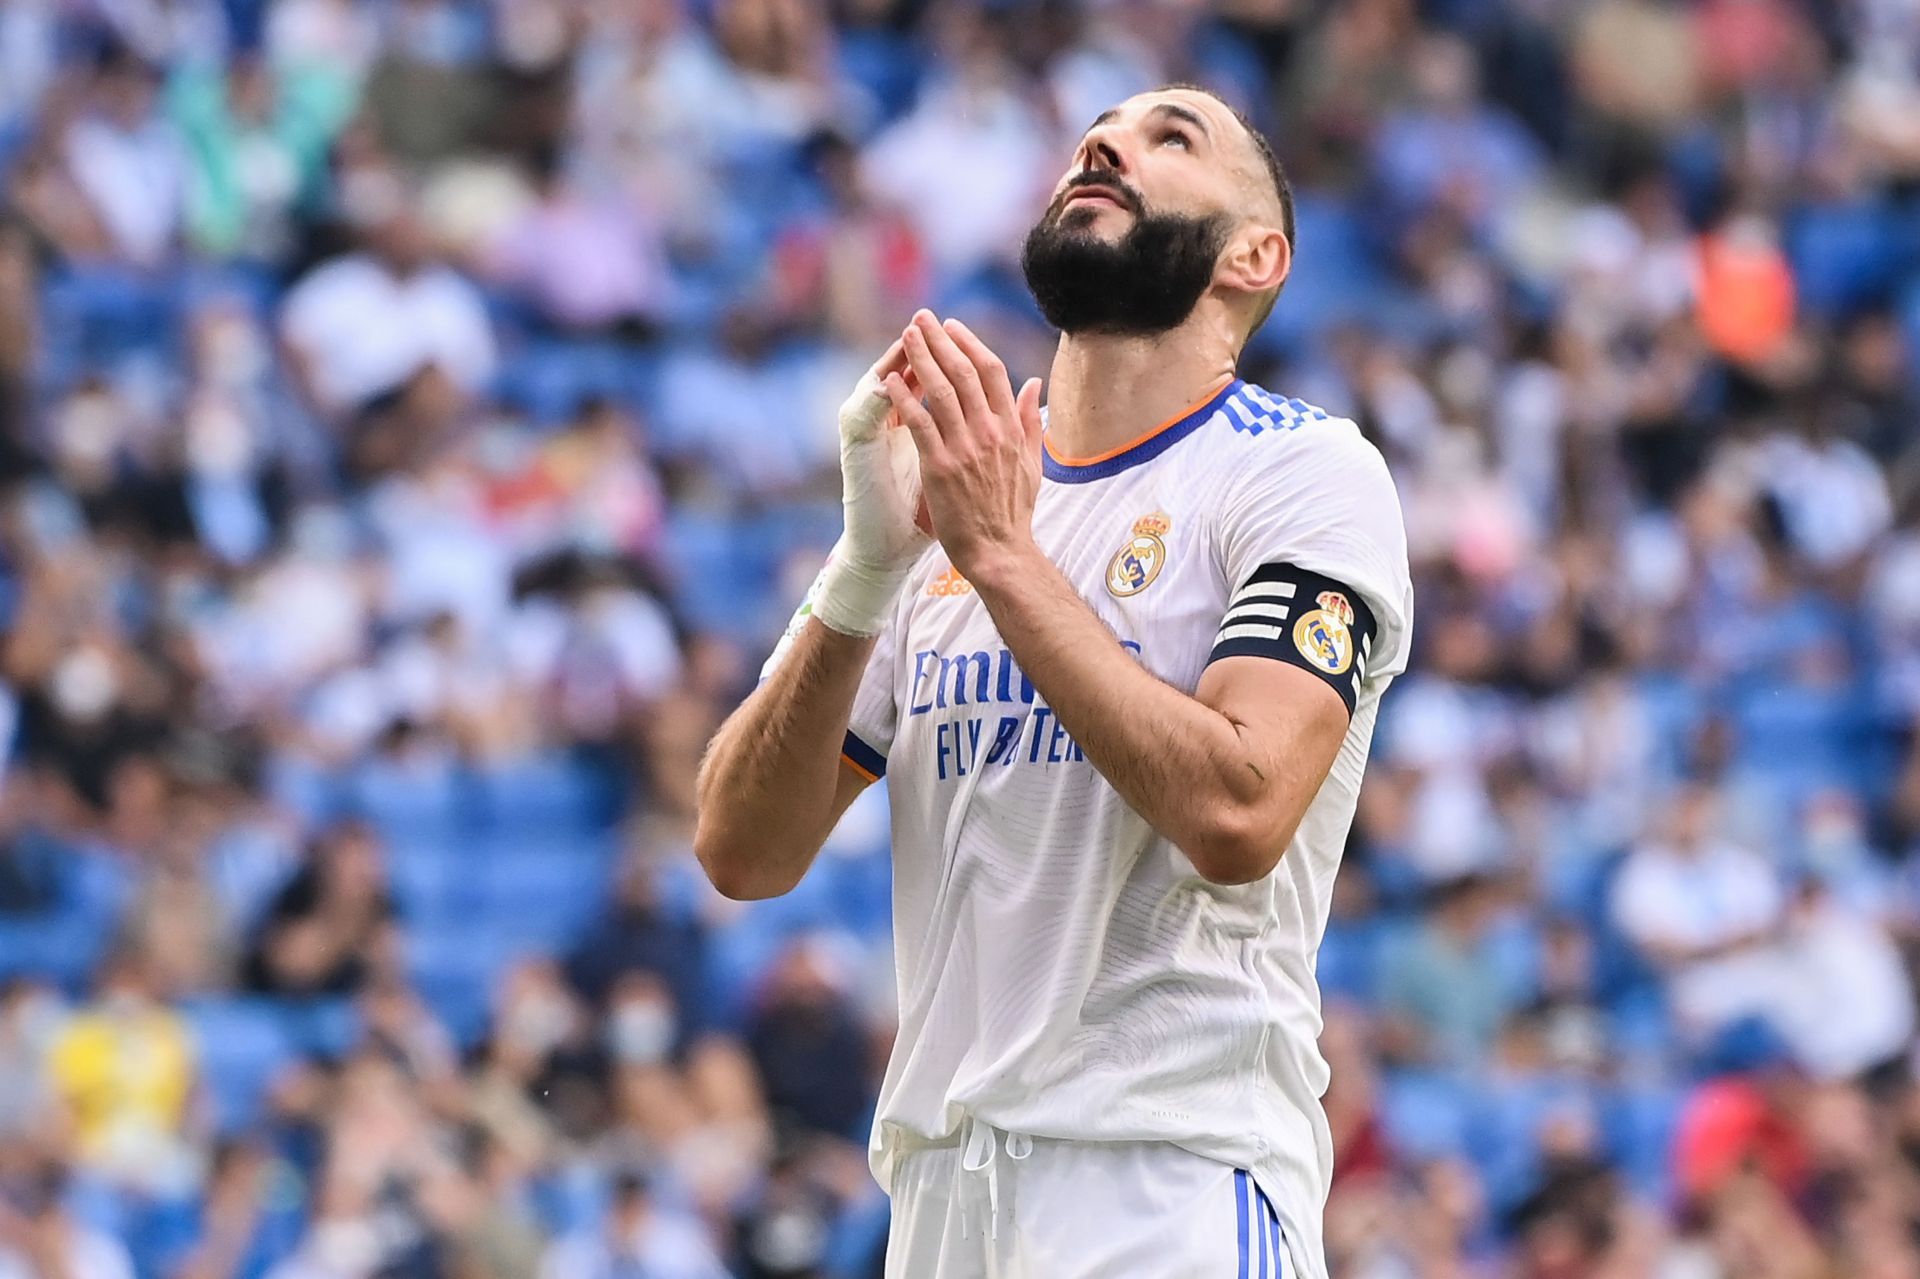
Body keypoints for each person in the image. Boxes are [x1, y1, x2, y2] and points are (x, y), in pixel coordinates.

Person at [695, 84, 1414, 1279]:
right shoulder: (963, 496)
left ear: (1256, 255)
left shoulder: (1301, 470)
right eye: (1104, 132)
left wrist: (999, 559)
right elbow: (741, 851)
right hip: (940, 1204)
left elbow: (1239, 812)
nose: (1110, 142)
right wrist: (869, 569)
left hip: (1165, 1184)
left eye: (1170, 137)